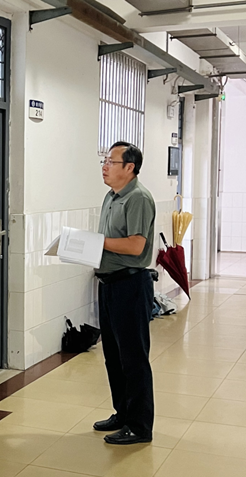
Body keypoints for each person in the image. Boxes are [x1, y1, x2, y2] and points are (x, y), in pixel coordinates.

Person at [93, 141, 156, 445]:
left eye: (111, 162)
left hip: (130, 285)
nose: (105, 167)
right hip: (109, 285)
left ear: (129, 167)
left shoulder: (138, 198)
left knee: (133, 358)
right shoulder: (111, 196)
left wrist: (96, 242)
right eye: (104, 161)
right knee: (113, 356)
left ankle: (140, 426)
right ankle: (123, 413)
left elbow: (135, 246)